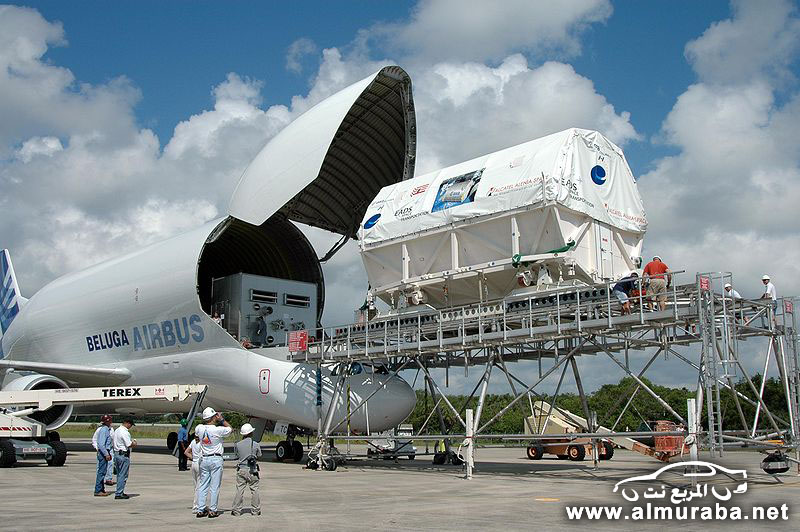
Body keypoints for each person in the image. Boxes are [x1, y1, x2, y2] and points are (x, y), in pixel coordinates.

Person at [194, 407, 232, 518]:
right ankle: (213, 510)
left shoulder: (199, 428)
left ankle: (200, 509)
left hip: (204, 459)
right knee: (214, 486)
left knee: (203, 485)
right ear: (213, 417)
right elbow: (230, 429)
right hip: (216, 459)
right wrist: (222, 419)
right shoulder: (218, 430)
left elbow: (197, 436)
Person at [231, 423, 262, 516]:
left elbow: (236, 456)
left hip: (242, 469)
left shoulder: (238, 444)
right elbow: (259, 455)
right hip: (252, 470)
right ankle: (255, 510)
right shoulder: (255, 444)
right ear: (251, 433)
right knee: (255, 490)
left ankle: (236, 510)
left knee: (240, 490)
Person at [112, 418, 137, 500]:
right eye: (130, 425)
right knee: (123, 475)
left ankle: (119, 491)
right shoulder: (125, 432)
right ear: (127, 423)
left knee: (119, 474)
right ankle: (119, 493)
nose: (130, 427)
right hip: (123, 455)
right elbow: (129, 444)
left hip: (116, 453)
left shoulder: (117, 430)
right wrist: (134, 443)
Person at [93, 414, 114, 497]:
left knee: (103, 472)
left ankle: (101, 489)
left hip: (104, 452)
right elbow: (101, 444)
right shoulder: (104, 430)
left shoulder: (105, 429)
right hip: (103, 453)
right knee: (101, 472)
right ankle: (98, 490)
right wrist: (106, 454)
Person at [185, 434, 203, 513]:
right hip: (199, 464)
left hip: (194, 464)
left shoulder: (193, 442)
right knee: (199, 486)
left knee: (196, 485)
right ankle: (197, 505)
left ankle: (196, 504)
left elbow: (186, 452)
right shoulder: (202, 443)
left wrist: (193, 458)